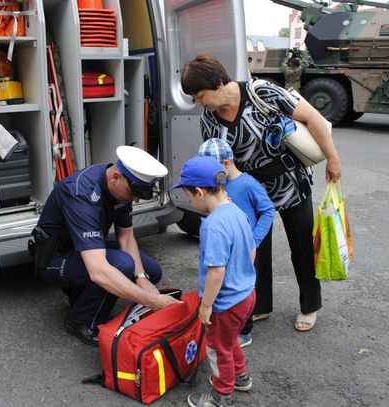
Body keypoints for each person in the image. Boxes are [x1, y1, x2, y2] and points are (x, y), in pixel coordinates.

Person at [181, 53, 342, 332]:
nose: (198, 102)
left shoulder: (261, 92)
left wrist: (333, 158)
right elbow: (215, 160)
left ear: (219, 83)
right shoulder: (208, 119)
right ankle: (259, 305)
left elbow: (312, 118)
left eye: (200, 95)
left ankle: (309, 305)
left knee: (302, 246)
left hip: (289, 181)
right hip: (248, 190)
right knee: (253, 246)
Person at [30, 146, 179, 346]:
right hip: (55, 257)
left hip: (85, 249)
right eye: (133, 193)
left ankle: (83, 294)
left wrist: (141, 278)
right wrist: (151, 301)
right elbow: (98, 270)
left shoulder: (121, 187)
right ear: (115, 177)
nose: (134, 199)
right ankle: (81, 320)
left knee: (151, 271)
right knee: (121, 266)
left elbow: (126, 238)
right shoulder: (81, 194)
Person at [172, 156, 257, 407]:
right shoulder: (236, 211)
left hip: (225, 304)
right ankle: (240, 377)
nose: (189, 201)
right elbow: (252, 250)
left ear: (199, 191)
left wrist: (206, 305)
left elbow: (216, 272)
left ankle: (222, 396)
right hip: (246, 295)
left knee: (218, 349)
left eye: (188, 196)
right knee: (229, 341)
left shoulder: (212, 225)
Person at [197, 138, 274, 347]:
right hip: (225, 246)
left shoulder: (247, 183)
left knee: (245, 287)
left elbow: (268, 210)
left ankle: (245, 331)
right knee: (225, 284)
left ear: (225, 164)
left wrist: (255, 240)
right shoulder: (216, 186)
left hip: (245, 247)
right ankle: (226, 320)